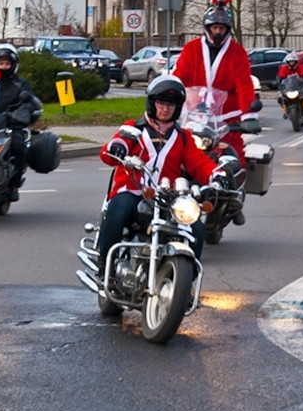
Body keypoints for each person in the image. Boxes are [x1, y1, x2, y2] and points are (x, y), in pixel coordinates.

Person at [97, 75, 235, 274]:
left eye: (171, 105)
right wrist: (117, 148)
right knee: (117, 212)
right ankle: (106, 267)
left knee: (196, 228)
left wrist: (217, 174)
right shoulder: (133, 128)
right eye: (161, 103)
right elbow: (112, 149)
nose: (165, 109)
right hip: (133, 190)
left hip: (167, 197)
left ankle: (188, 281)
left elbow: (199, 162)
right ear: (152, 103)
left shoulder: (183, 137)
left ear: (178, 108)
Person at [172, 0, 257, 225]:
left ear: (228, 29)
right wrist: (169, 101)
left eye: (222, 27)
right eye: (214, 27)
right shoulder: (191, 50)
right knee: (176, 154)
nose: (218, 32)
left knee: (234, 156)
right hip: (194, 115)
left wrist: (248, 116)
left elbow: (244, 84)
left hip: (225, 118)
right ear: (207, 27)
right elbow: (180, 77)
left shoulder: (238, 53)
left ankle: (233, 197)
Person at [0, 43, 38, 201]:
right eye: (1, 63)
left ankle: (14, 184)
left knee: (18, 146)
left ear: (13, 65)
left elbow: (29, 101)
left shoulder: (21, 84)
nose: (4, 67)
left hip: (10, 124)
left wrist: (21, 112)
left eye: (7, 63)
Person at [277, 51, 303, 116]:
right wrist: (280, 85)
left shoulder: (299, 67)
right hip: (288, 88)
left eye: (293, 62)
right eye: (290, 62)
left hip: (298, 87)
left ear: (296, 62)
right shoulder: (284, 68)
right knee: (280, 99)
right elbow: (281, 78)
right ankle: (285, 110)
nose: (291, 63)